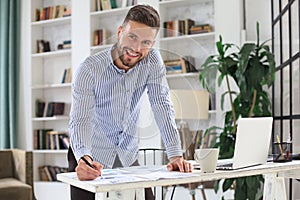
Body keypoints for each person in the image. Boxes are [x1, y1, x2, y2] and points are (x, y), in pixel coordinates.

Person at [68, 4, 193, 200]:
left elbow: (161, 104)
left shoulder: (152, 61)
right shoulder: (89, 69)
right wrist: (84, 158)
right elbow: (80, 119)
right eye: (132, 37)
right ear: (120, 32)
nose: (136, 48)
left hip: (126, 154)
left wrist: (175, 155)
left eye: (146, 42)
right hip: (89, 156)